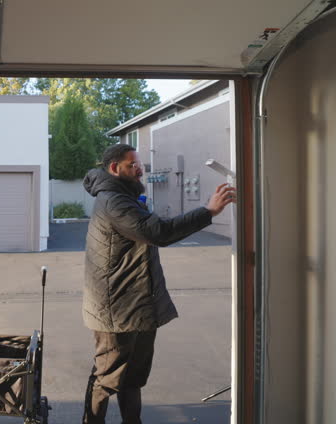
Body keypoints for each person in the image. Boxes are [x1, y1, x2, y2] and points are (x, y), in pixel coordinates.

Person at [81, 144, 236, 424]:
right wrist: (208, 211)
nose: (139, 168)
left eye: (139, 163)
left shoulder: (127, 196)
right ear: (115, 168)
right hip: (115, 311)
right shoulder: (114, 202)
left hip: (136, 307)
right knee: (107, 377)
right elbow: (158, 232)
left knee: (133, 377)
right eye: (132, 165)